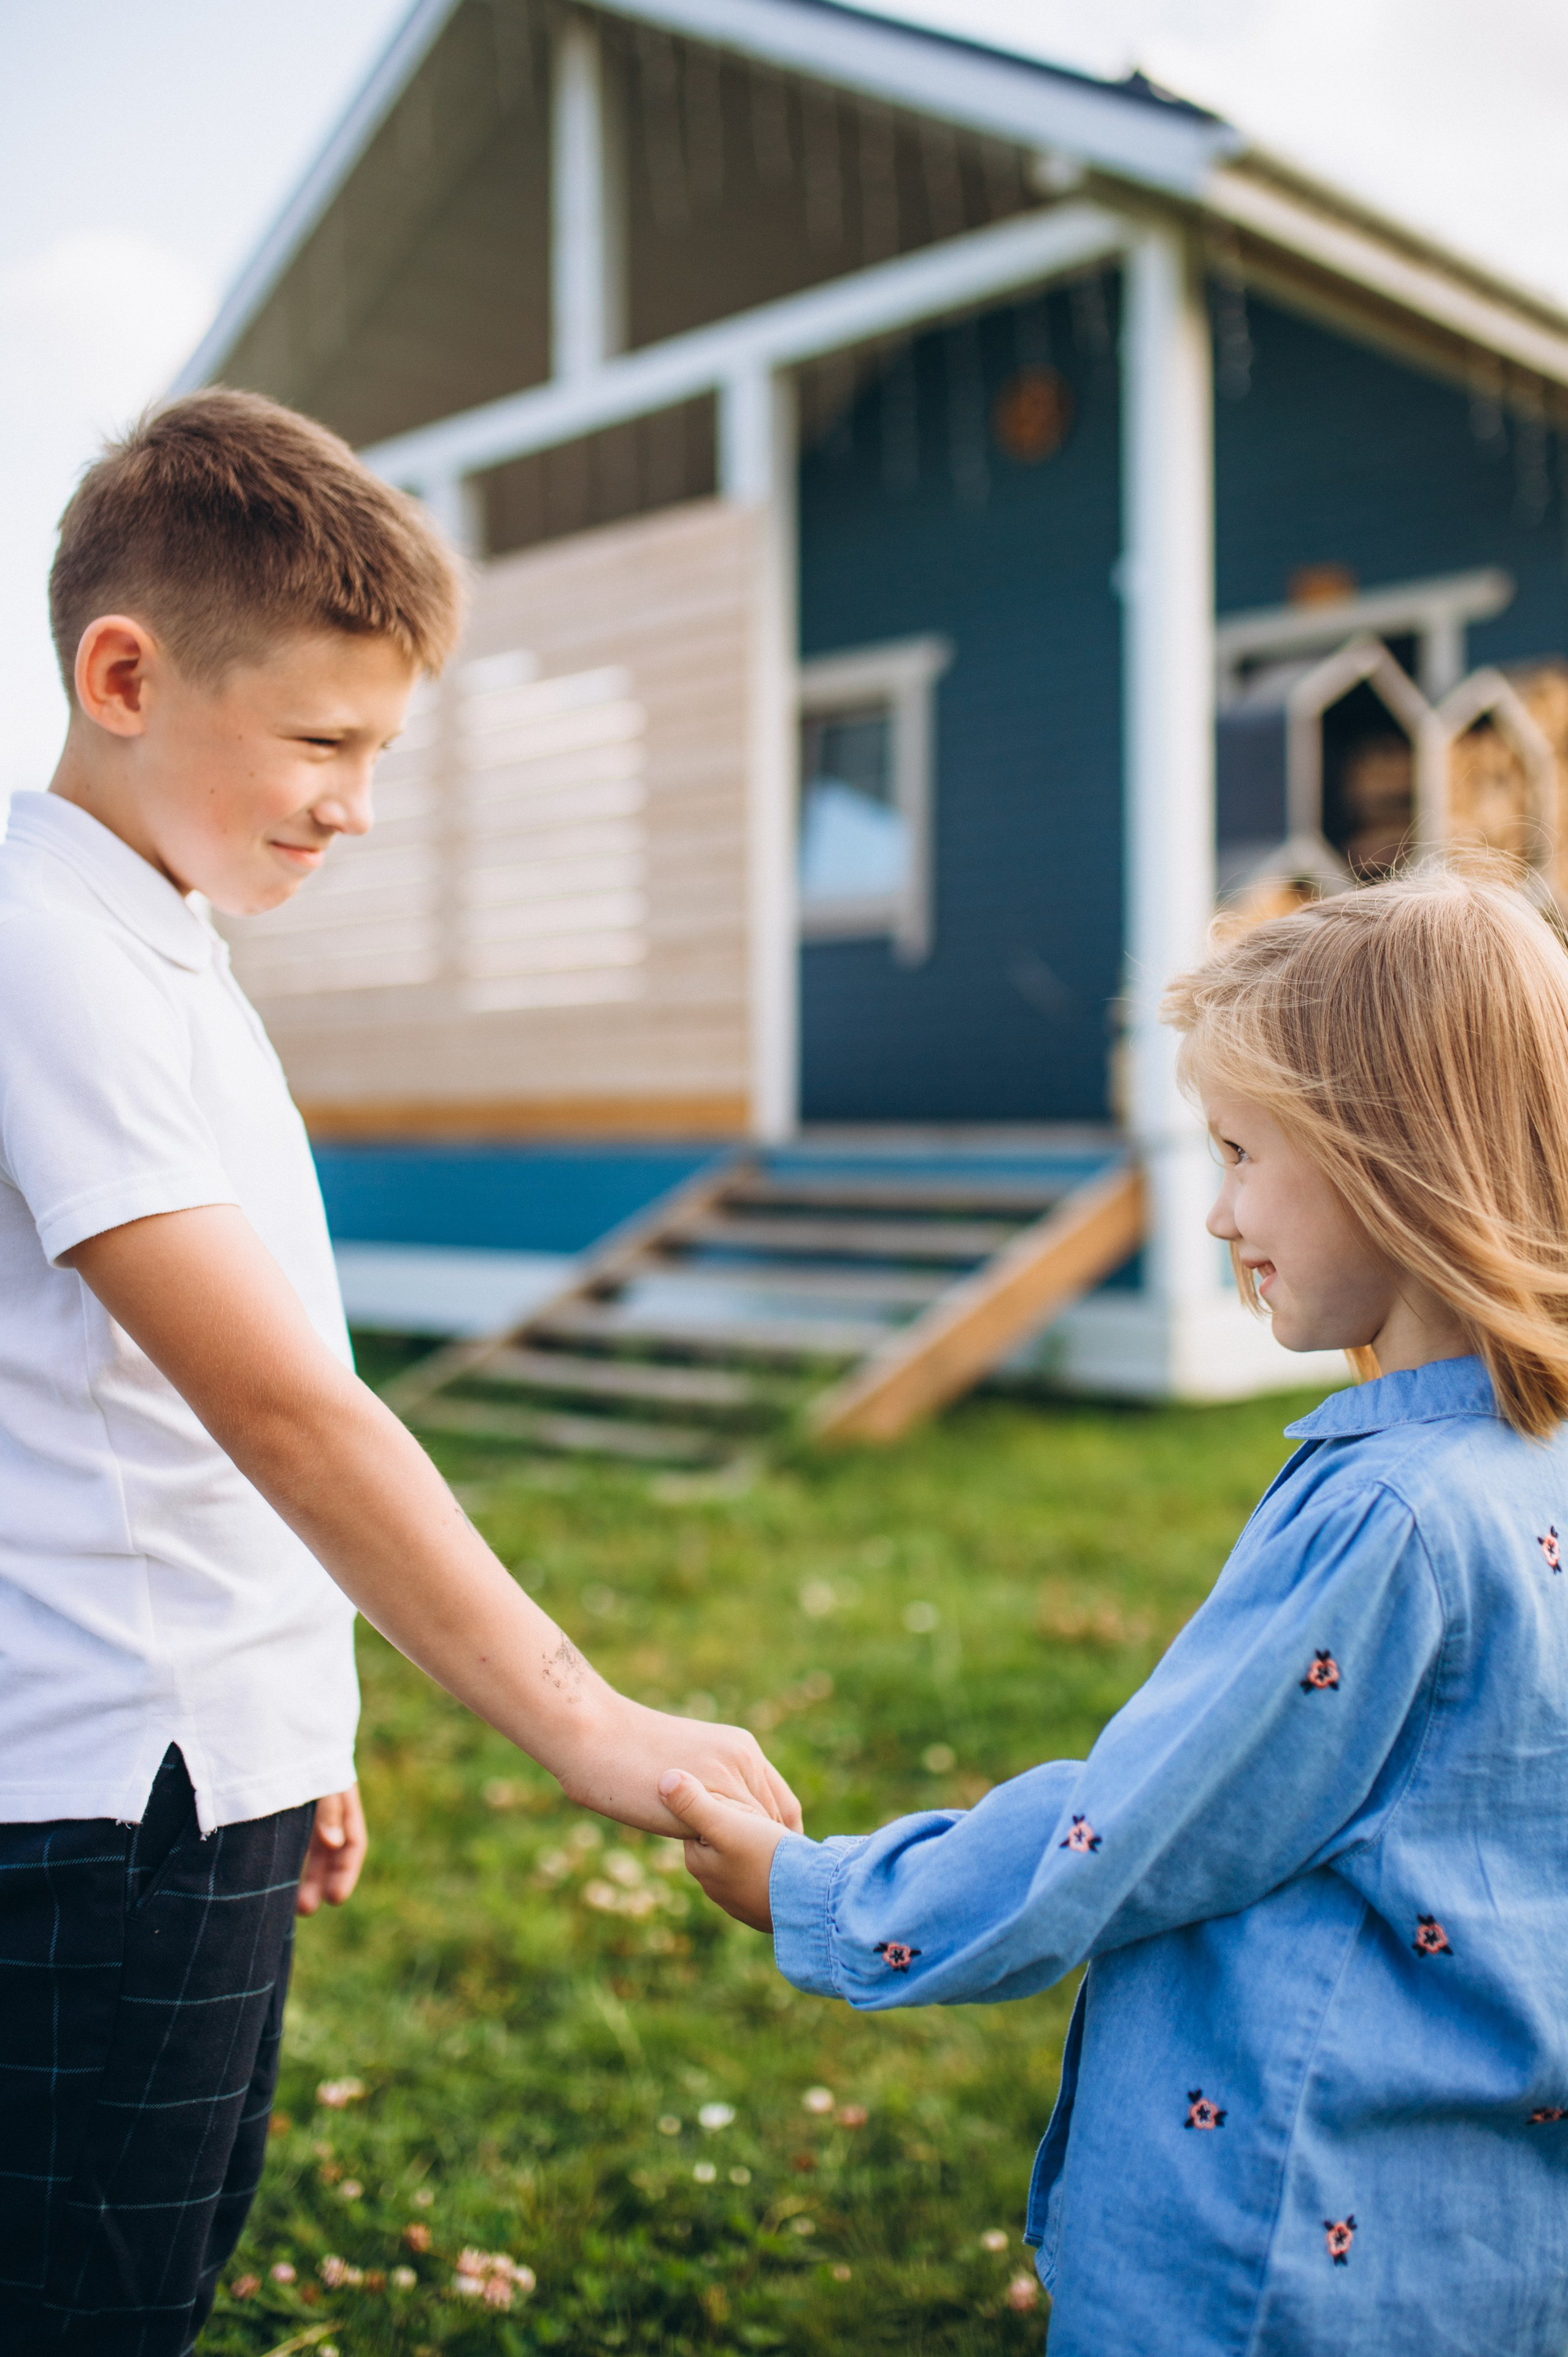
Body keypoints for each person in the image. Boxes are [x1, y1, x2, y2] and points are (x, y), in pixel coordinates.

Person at [0, 389, 797, 2356]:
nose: (358, 800)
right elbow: (280, 1407)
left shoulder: (158, 939)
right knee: (91, 2306)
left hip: (200, 1759)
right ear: (125, 673)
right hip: (108, 1794)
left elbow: (185, 1412)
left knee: (149, 2266)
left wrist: (302, 1711)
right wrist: (580, 1716)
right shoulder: (44, 949)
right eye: (325, 740)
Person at [663, 870, 1568, 2355]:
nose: (1211, 1210)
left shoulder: (1388, 1517)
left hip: (1271, 2263)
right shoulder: (1521, 1468)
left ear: (1389, 1161)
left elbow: (1129, 1829)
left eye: (1236, 1152)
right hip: (1481, 2256)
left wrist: (822, 1894)